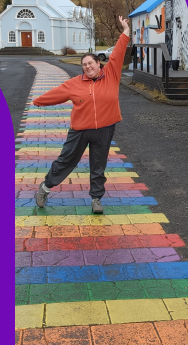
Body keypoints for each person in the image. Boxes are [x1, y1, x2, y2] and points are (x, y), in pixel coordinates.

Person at [33, 16, 130, 214]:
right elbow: (56, 94)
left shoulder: (111, 74)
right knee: (65, 161)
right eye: (84, 64)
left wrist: (126, 31)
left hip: (104, 129)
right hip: (80, 130)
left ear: (99, 63)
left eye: (90, 63)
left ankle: (96, 199)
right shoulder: (75, 83)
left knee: (98, 165)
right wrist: (37, 101)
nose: (87, 67)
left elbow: (119, 52)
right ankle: (45, 188)